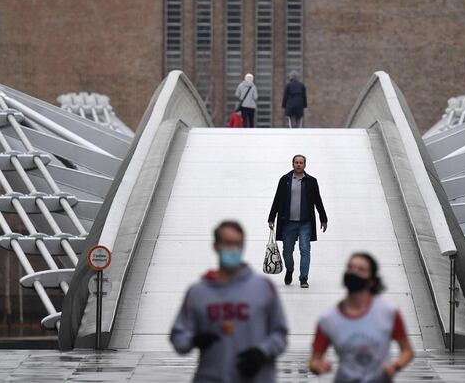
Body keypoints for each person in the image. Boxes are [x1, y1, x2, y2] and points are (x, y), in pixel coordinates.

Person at [170, 220, 288, 383]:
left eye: (237, 244)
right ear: (216, 246)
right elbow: (178, 336)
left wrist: (262, 352)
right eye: (228, 243)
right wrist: (194, 340)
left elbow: (280, 334)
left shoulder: (263, 288)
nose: (233, 249)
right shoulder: (198, 293)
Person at [309, 253, 414, 382]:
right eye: (350, 268)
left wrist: (395, 366)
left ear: (372, 281)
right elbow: (314, 360)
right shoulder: (328, 319)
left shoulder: (388, 313)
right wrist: (318, 366)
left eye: (361, 269)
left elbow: (407, 351)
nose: (354, 272)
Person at [267, 154, 328, 288]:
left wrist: (323, 218)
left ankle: (303, 278)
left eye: (301, 163)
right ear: (293, 164)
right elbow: (277, 199)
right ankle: (290, 269)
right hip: (288, 222)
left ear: (305, 165)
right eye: (296, 162)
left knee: (305, 249)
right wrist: (271, 218)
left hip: (305, 223)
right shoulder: (285, 180)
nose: (299, 165)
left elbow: (318, 200)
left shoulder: (311, 181)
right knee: (287, 251)